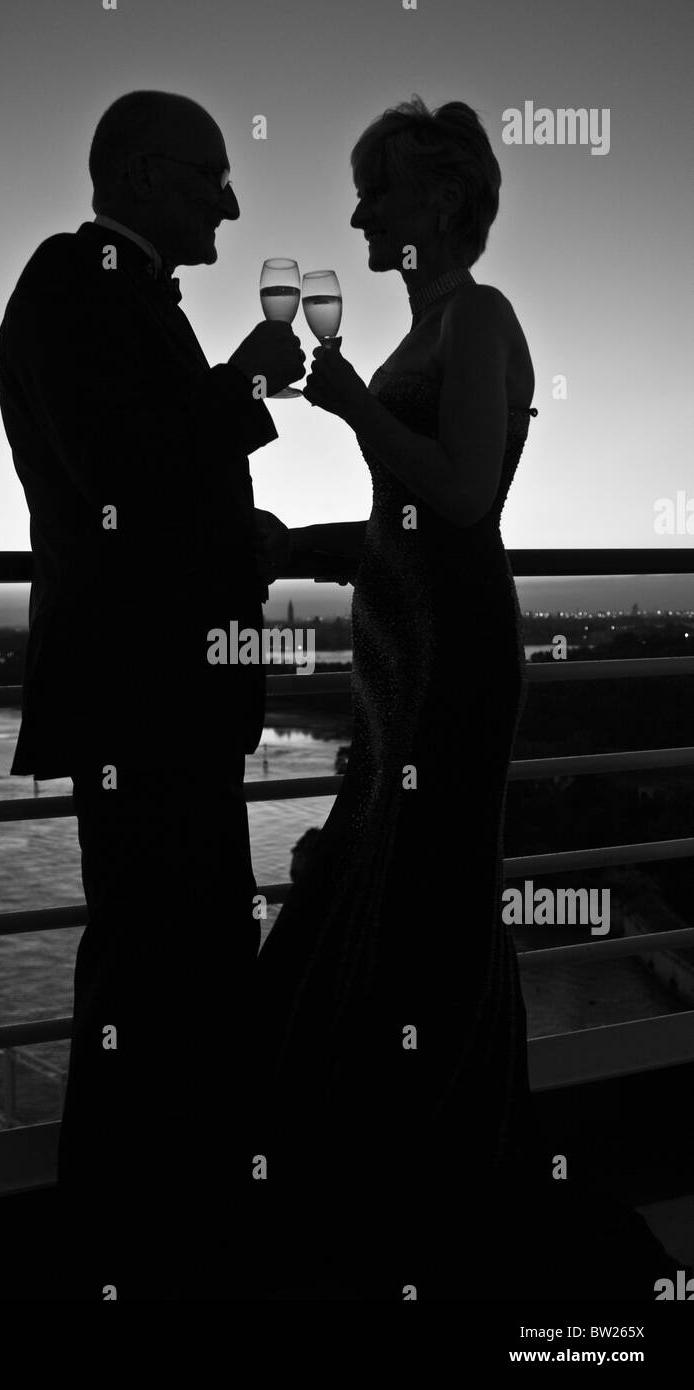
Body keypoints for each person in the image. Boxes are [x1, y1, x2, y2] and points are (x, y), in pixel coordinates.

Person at [252, 96, 671, 1300]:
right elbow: (396, 523)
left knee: (424, 897)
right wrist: (286, 546)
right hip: (396, 649)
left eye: (374, 190)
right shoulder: (422, 329)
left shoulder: (477, 318)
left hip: (451, 657)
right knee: (383, 874)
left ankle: (433, 1176)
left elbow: (462, 498)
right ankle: (393, 1158)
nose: (356, 212)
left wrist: (347, 409)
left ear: (437, 202)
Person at [0, 89, 303, 1299]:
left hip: (159, 705)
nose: (230, 198)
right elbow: (133, 480)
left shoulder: (109, 296)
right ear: (137, 175)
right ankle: (130, 1250)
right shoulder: (80, 285)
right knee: (152, 974)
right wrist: (242, 392)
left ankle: (154, 1237)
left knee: (174, 971)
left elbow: (153, 479)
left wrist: (239, 492)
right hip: (143, 704)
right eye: (209, 174)